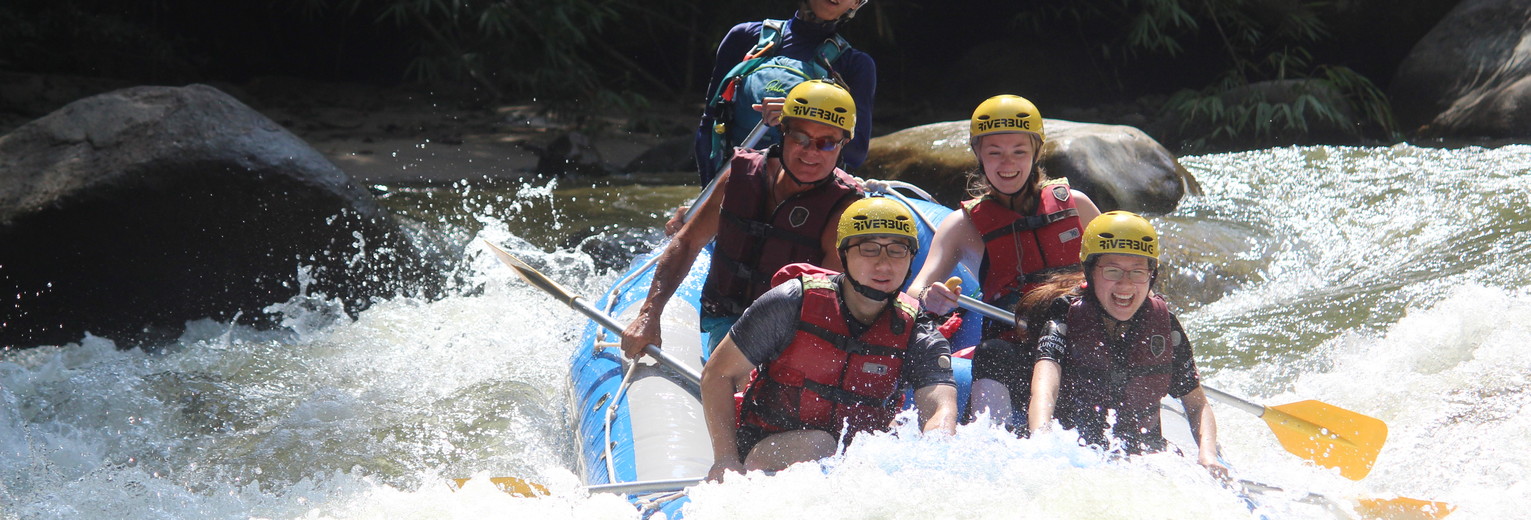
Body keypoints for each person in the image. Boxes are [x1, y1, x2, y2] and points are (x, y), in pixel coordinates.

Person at [699, 197, 958, 480]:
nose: (884, 265)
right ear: (844, 254)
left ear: (911, 259)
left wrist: (935, 455)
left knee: (888, 448)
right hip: (769, 449)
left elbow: (940, 407)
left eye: (897, 251)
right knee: (820, 444)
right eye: (869, 250)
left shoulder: (917, 329)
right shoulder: (792, 303)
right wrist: (725, 459)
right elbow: (718, 373)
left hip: (854, 466)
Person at [621, 80, 863, 359]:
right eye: (800, 138)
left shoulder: (844, 207)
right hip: (725, 318)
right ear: (783, 131)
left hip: (789, 333)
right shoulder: (741, 174)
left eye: (827, 143)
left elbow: (828, 301)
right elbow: (687, 243)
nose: (810, 152)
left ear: (843, 144)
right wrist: (649, 314)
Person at [907, 94, 1101, 428]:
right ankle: (991, 445)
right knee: (992, 354)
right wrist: (930, 297)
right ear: (978, 155)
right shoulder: (961, 225)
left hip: (1080, 345)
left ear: (1036, 153)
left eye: (1018, 152)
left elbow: (1128, 271)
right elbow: (916, 291)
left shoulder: (1078, 206)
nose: (1006, 163)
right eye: (994, 152)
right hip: (1014, 349)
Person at [1025, 211, 1227, 478]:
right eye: (1112, 271)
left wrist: (1208, 455)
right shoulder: (1066, 315)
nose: (1125, 284)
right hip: (1078, 454)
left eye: (1137, 272)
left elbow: (1197, 405)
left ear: (1151, 276)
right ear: (1090, 272)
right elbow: (1044, 391)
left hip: (1146, 453)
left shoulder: (1165, 324)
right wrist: (1043, 442)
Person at [695, 0, 876, 184]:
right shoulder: (744, 37)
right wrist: (709, 193)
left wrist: (799, 115)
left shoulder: (856, 65)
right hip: (734, 185)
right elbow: (709, 124)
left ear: (855, 3)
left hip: (803, 197)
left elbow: (856, 153)